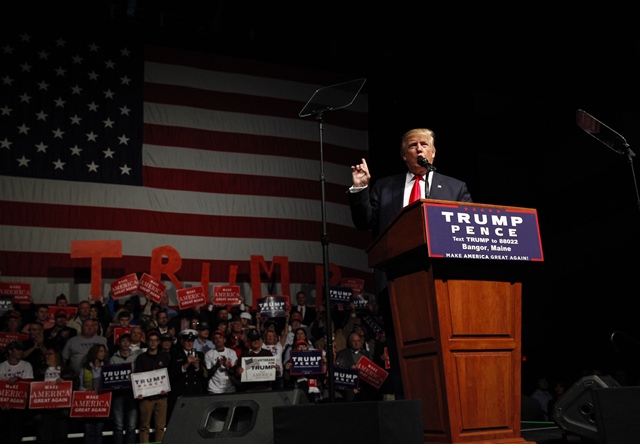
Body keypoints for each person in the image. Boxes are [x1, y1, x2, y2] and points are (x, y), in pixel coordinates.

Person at [348, 127, 472, 398]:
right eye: (412, 145)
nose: (419, 149)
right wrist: (360, 188)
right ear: (404, 155)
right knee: (402, 351)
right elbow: (364, 223)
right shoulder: (385, 186)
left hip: (443, 282)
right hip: (396, 286)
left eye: (424, 144)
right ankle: (410, 411)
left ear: (433, 151)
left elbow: (468, 231)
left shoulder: (455, 187)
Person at [32, 347, 77, 444]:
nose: (46, 356)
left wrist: (65, 382)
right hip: (44, 413)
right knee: (43, 438)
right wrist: (36, 413)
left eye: (50, 354)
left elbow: (75, 387)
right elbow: (33, 392)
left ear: (57, 356)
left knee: (60, 438)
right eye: (46, 354)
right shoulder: (40, 371)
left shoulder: (67, 371)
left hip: (61, 412)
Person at [133, 330, 170, 443]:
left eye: (155, 340)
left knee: (160, 427)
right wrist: (137, 392)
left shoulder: (165, 357)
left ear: (158, 342)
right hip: (146, 398)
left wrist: (167, 389)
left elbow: (169, 375)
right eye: (151, 340)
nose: (153, 343)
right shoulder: (141, 358)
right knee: (144, 427)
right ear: (147, 342)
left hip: (161, 397)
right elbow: (137, 376)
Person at [108, 333, 142, 444]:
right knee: (118, 426)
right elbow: (109, 378)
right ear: (119, 343)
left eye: (128, 341)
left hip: (132, 394)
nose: (125, 343)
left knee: (131, 426)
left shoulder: (136, 357)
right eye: (123, 341)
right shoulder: (113, 358)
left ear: (130, 343)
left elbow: (140, 373)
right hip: (118, 394)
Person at [0, 341, 34, 444]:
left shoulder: (26, 365)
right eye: (18, 349)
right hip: (3, 408)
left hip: (19, 408)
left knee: (16, 437)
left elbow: (30, 383)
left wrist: (17, 379)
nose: (21, 351)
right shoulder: (1, 366)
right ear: (10, 351)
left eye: (22, 349)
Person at [168, 329, 208, 413]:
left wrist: (197, 366)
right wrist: (186, 364)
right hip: (181, 392)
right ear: (182, 341)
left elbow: (205, 375)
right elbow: (172, 374)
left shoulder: (199, 355)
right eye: (187, 341)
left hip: (195, 392)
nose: (190, 343)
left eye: (192, 341)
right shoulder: (174, 354)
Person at [78, 343, 108, 444]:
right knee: (88, 431)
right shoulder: (85, 368)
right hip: (89, 403)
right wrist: (86, 392)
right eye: (101, 351)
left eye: (104, 351)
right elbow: (80, 385)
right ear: (95, 352)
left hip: (101, 403)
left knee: (99, 431)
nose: (103, 353)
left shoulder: (107, 368)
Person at [335, 331, 376, 402]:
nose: (356, 343)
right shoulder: (343, 354)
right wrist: (349, 369)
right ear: (349, 342)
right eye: (354, 341)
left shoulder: (366, 354)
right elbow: (338, 370)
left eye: (358, 341)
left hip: (365, 388)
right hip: (350, 389)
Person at [283, 338, 326, 403]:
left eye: (304, 346)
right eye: (299, 347)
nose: (302, 349)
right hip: (298, 386)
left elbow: (323, 373)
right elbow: (287, 379)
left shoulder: (315, 358)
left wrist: (324, 363)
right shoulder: (291, 361)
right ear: (296, 349)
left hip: (313, 386)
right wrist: (286, 370)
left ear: (307, 348)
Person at [235, 328, 277, 392]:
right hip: (249, 390)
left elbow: (274, 373)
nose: (256, 341)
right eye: (253, 339)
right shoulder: (244, 355)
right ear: (249, 340)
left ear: (260, 340)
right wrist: (238, 372)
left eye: (257, 339)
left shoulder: (267, 353)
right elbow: (237, 375)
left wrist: (277, 370)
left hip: (266, 389)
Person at [204, 329, 239, 394]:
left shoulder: (231, 353)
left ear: (224, 340)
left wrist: (227, 367)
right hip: (214, 389)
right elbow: (208, 374)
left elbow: (235, 372)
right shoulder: (209, 354)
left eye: (220, 337)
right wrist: (217, 365)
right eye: (216, 338)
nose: (218, 340)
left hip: (229, 388)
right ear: (213, 341)